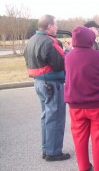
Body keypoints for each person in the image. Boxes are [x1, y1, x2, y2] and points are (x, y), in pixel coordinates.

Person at [64, 26, 99, 171]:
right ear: (90, 39)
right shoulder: (98, 56)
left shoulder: (69, 57)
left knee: (79, 138)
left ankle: (84, 167)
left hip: (76, 105)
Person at [24, 14, 70, 161]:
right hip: (51, 84)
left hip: (39, 83)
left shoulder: (31, 40)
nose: (57, 27)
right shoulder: (50, 42)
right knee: (55, 118)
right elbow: (60, 64)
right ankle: (53, 152)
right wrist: (69, 51)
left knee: (46, 118)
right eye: (55, 25)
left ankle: (47, 149)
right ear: (49, 26)